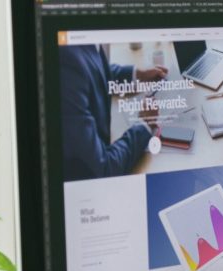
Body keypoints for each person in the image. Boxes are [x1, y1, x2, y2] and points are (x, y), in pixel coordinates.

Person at [60, 44, 169, 181]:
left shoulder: (79, 47)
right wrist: (144, 124)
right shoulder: (66, 61)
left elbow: (91, 71)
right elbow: (103, 169)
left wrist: (137, 76)